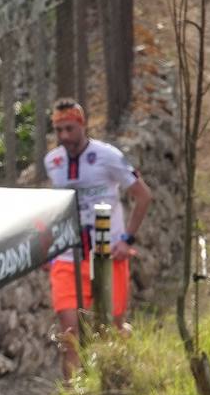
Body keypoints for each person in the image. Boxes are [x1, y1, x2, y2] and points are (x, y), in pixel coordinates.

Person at [44, 97, 153, 377]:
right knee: (69, 335)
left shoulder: (109, 156)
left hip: (107, 254)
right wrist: (48, 247)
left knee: (111, 331)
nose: (64, 136)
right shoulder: (52, 162)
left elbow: (143, 196)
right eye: (59, 130)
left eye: (69, 129)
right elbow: (51, 209)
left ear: (83, 124)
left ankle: (117, 385)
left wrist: (126, 239)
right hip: (68, 256)